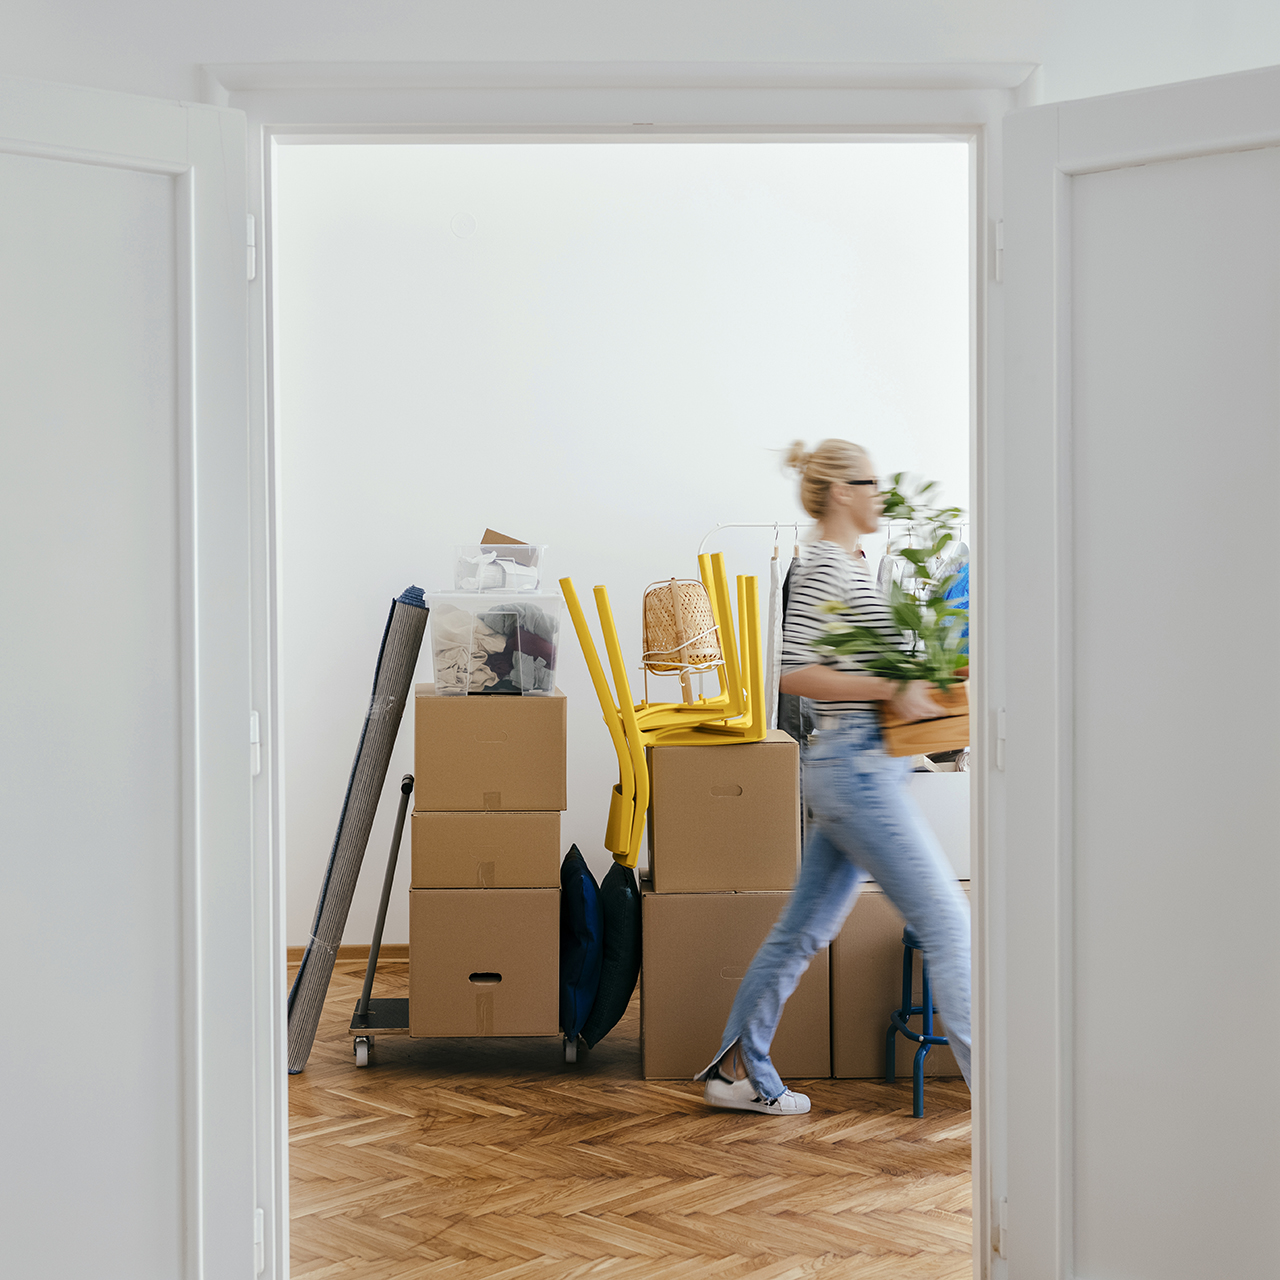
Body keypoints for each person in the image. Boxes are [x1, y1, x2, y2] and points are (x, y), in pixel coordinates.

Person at [697, 438, 972, 1114]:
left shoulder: (852, 563)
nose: (883, 494)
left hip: (858, 771)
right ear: (843, 491)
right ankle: (1006, 1103)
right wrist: (888, 687)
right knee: (949, 924)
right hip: (857, 774)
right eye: (873, 482)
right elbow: (791, 672)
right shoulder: (822, 564)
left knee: (801, 933)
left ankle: (737, 1076)